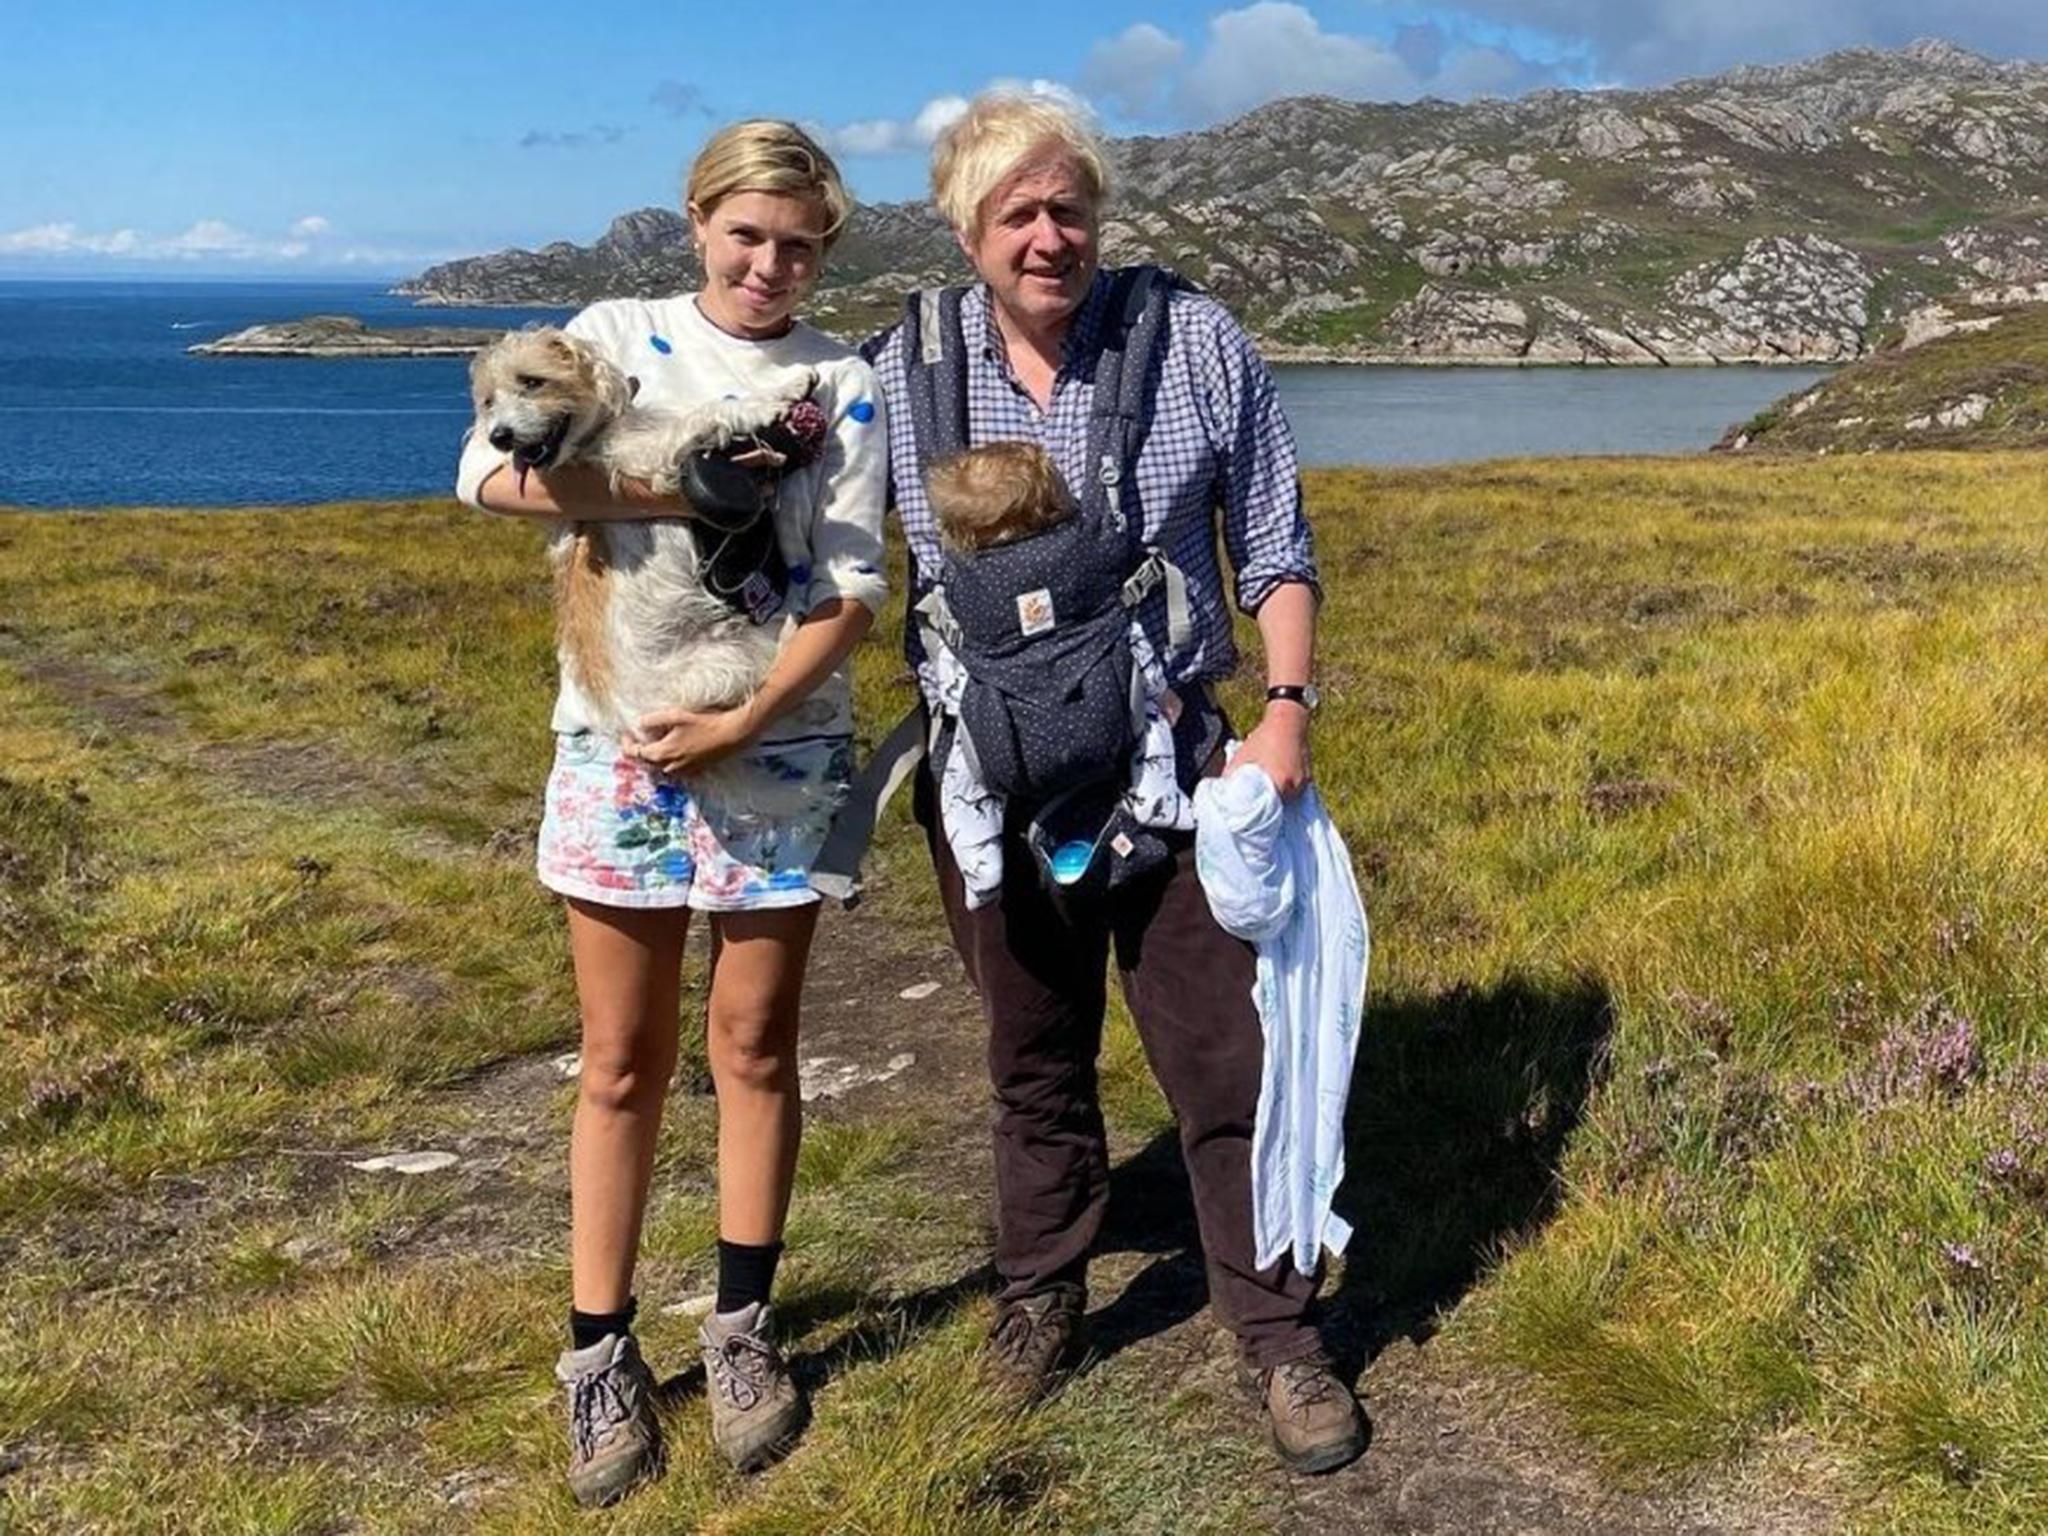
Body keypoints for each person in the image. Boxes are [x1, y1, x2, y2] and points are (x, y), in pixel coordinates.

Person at [863, 91, 1367, 1475]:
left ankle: (1278, 1332)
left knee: (1225, 1056)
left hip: (1180, 774)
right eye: (1016, 213)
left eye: (1068, 207)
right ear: (966, 229)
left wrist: (1285, 716)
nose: (1049, 236)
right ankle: (1039, 1296)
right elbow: (796, 527)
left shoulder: (1193, 340)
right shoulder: (897, 370)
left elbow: (1271, 540)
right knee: (1032, 1060)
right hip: (990, 781)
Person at [455, 120, 887, 1505]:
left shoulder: (842, 381)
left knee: (756, 1046)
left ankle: (744, 1330)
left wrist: (745, 719)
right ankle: (599, 1356)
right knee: (621, 1060)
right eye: (747, 235)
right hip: (618, 748)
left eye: (800, 244)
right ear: (697, 221)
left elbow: (852, 589)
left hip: (779, 750)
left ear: (826, 247)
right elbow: (486, 476)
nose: (770, 265)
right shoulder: (613, 332)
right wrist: (670, 482)